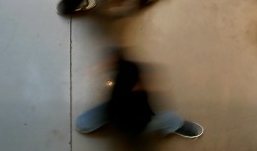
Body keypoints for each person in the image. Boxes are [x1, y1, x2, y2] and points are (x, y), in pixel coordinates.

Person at [75, 50, 203, 139]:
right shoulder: (136, 96)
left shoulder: (123, 79)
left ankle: (87, 123)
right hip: (136, 122)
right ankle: (176, 124)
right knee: (169, 118)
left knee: (85, 122)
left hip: (117, 112)